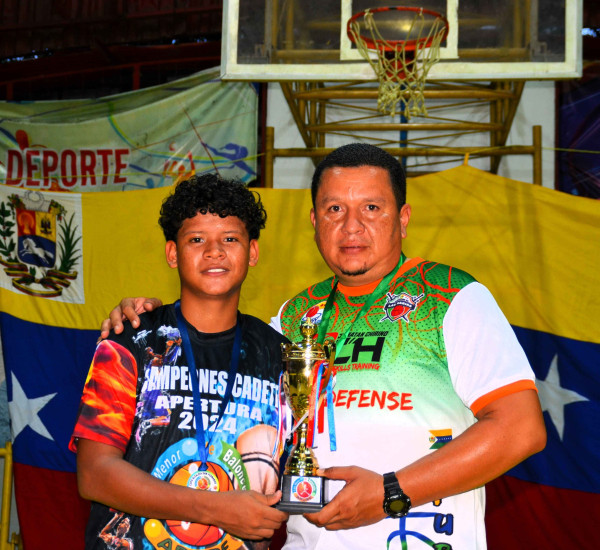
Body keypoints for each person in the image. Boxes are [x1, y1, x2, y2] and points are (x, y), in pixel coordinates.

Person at [102, 144, 546, 550]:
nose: (352, 226)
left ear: (403, 217)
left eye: (371, 207)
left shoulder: (451, 297)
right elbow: (208, 357)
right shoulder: (292, 318)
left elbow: (521, 428)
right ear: (315, 222)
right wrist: (147, 319)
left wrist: (390, 492)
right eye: (335, 209)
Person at [71, 174, 289, 550]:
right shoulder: (130, 341)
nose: (214, 251)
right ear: (172, 254)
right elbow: (94, 474)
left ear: (252, 252)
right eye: (197, 239)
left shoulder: (281, 356)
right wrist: (215, 508)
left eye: (230, 239)